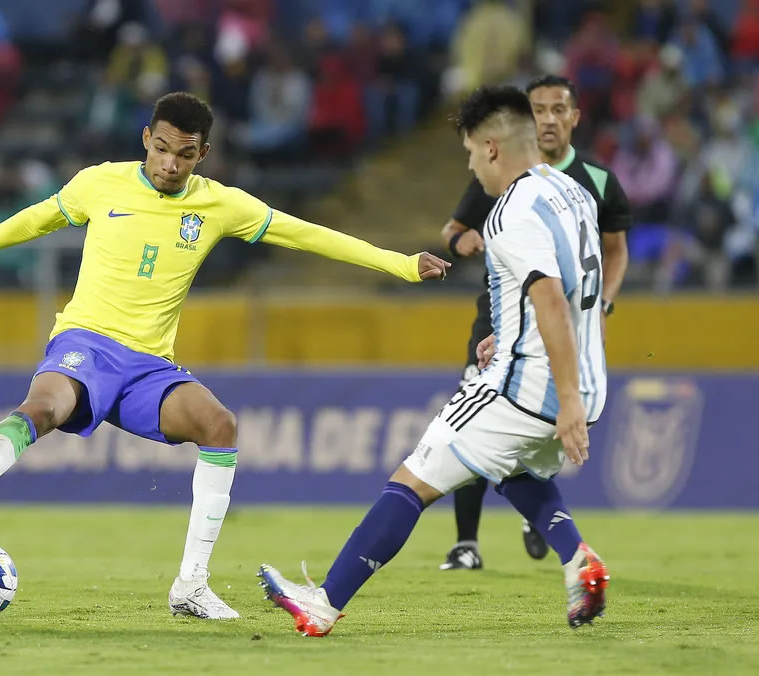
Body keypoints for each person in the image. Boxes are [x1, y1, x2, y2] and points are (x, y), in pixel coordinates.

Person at [0, 92, 451, 621]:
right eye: (161, 148)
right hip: (86, 343)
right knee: (43, 408)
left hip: (149, 367)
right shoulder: (100, 182)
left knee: (219, 425)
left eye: (184, 154)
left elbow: (306, 235)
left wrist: (399, 264)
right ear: (146, 139)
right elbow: (40, 218)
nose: (170, 164)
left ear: (203, 155)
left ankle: (191, 583)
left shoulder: (219, 204)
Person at [259, 85, 610, 636]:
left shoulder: (509, 213)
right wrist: (527, 350)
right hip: (587, 381)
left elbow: (549, 299)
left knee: (413, 478)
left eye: (471, 153)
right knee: (508, 465)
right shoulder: (573, 192)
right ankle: (576, 559)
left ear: (492, 148)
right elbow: (573, 290)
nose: (472, 166)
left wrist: (561, 396)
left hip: (532, 388)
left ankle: (323, 602)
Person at [437, 74, 630, 571]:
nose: (547, 118)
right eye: (538, 109)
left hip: (552, 331)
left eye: (556, 109)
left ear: (573, 116)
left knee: (460, 440)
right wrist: (465, 243)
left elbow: (610, 254)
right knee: (500, 446)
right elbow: (454, 229)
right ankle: (471, 541)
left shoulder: (591, 181)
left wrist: (602, 305)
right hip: (500, 320)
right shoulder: (499, 169)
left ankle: (331, 596)